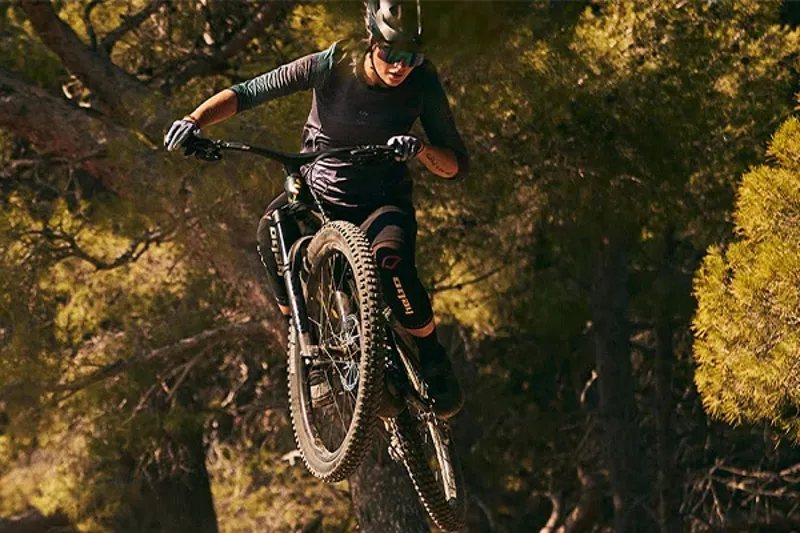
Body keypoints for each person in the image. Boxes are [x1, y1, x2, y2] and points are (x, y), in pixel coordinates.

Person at [164, 0, 468, 419]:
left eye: (412, 57)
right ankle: (307, 348)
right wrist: (195, 120)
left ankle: (432, 357)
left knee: (391, 261)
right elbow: (251, 91)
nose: (401, 66)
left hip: (382, 202)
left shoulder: (423, 85)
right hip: (319, 196)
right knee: (271, 233)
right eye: (391, 53)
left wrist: (419, 149)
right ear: (371, 41)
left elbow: (455, 166)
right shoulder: (331, 64)